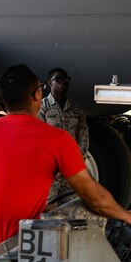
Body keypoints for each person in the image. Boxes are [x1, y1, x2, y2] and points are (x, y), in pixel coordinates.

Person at [0, 64, 131, 259]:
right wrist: (127, 216)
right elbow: (95, 199)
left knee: (53, 210)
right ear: (36, 95)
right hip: (15, 248)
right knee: (85, 216)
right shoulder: (57, 139)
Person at [38, 67, 89, 206]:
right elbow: (38, 139)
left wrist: (76, 163)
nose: (63, 83)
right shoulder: (42, 108)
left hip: (71, 171)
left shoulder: (76, 110)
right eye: (58, 80)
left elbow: (83, 139)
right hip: (50, 172)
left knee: (70, 207)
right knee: (47, 207)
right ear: (50, 83)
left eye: (66, 80)